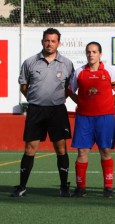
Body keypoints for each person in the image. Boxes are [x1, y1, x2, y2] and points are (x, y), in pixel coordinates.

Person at [13, 28, 74, 197]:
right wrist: (36, 99)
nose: (50, 44)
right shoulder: (30, 62)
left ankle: (64, 186)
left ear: (58, 43)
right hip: (36, 110)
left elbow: (69, 88)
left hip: (57, 111)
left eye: (53, 41)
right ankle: (22, 186)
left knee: (60, 148)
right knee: (30, 147)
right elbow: (24, 86)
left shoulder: (67, 64)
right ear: (42, 42)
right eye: (47, 40)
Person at [68, 42, 115, 198]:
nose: (91, 54)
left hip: (105, 118)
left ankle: (108, 188)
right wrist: (82, 103)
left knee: (105, 151)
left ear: (100, 54)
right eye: (88, 52)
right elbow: (70, 91)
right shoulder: (79, 72)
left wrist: (108, 104)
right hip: (84, 118)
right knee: (82, 151)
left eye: (94, 52)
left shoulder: (110, 72)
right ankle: (80, 188)